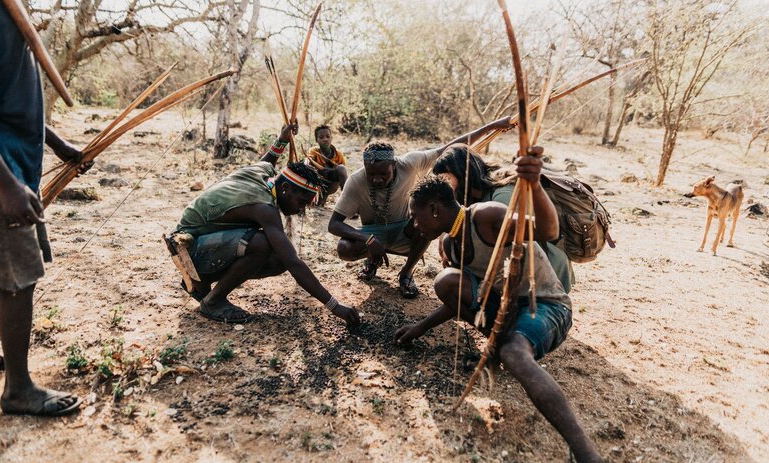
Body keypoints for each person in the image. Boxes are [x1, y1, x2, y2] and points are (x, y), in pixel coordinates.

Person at [394, 171, 616, 463]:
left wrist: (533, 179)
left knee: (515, 353)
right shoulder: (450, 244)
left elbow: (547, 231)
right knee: (447, 282)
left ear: (435, 209)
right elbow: (462, 299)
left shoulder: (485, 216)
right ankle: (500, 348)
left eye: (416, 215)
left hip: (545, 306)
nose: (414, 224)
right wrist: (420, 327)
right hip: (508, 311)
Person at [0, 0, 86, 416]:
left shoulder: (6, 12)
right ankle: (18, 390)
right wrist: (5, 184)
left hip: (13, 168)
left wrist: (57, 144)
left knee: (3, 275)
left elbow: (6, 104)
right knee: (17, 279)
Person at [173, 121, 360, 327]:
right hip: (188, 250)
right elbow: (293, 262)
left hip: (201, 244)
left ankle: (202, 283)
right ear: (286, 188)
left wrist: (282, 138)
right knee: (264, 244)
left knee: (276, 258)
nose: (300, 210)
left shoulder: (263, 172)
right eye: (301, 203)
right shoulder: (264, 208)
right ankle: (212, 300)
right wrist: (335, 306)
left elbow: (269, 158)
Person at [328, 116, 515, 299]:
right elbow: (334, 224)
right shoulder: (355, 181)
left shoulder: (409, 163)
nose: (377, 179)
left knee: (425, 224)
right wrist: (367, 240)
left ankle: (407, 273)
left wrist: (491, 126)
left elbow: (449, 148)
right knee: (345, 248)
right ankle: (372, 260)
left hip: (406, 230)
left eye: (383, 173)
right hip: (374, 234)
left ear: (394, 164)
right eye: (371, 174)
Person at [432, 143, 574, 291]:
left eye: (447, 179)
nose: (445, 186)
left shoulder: (503, 193)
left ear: (462, 172)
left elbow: (508, 242)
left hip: (544, 266)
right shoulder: (470, 197)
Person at [306, 124, 347, 204]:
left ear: (331, 138)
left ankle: (346, 200)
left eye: (328, 136)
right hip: (316, 184)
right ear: (316, 140)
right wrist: (307, 163)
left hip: (331, 185)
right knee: (319, 204)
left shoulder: (338, 155)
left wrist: (331, 170)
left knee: (341, 168)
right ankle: (318, 197)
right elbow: (307, 161)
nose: (325, 139)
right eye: (321, 137)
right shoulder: (313, 151)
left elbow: (343, 174)